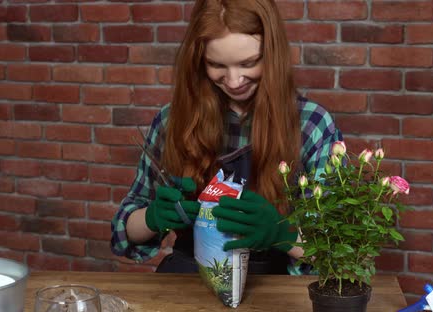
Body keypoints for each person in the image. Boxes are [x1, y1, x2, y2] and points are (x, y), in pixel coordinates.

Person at [111, 0, 343, 274]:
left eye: (248, 63)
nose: (233, 81)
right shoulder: (171, 120)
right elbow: (123, 233)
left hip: (274, 292)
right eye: (216, 65)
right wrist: (152, 217)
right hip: (189, 281)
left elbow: (337, 251)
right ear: (199, 61)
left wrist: (284, 235)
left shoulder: (311, 123)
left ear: (272, 53)